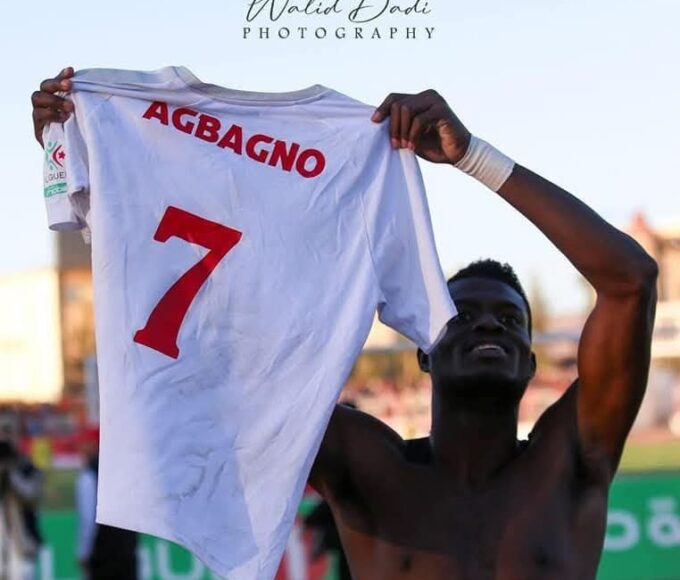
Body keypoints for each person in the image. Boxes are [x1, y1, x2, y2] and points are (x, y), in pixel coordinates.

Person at [32, 69, 658, 579]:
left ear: (531, 358)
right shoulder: (367, 463)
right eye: (464, 314)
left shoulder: (570, 460)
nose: (488, 326)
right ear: (424, 348)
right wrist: (94, 155)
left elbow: (631, 280)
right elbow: (213, 356)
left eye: (510, 319)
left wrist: (473, 157)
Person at [75, 426, 138, 580]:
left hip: (101, 555)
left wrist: (84, 552)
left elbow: (88, 518)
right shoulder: (125, 472)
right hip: (127, 552)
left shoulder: (89, 475)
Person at [0, 414, 43, 580]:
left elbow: (31, 494)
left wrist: (11, 473)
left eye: (8, 432)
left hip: (22, 541)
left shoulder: (26, 466)